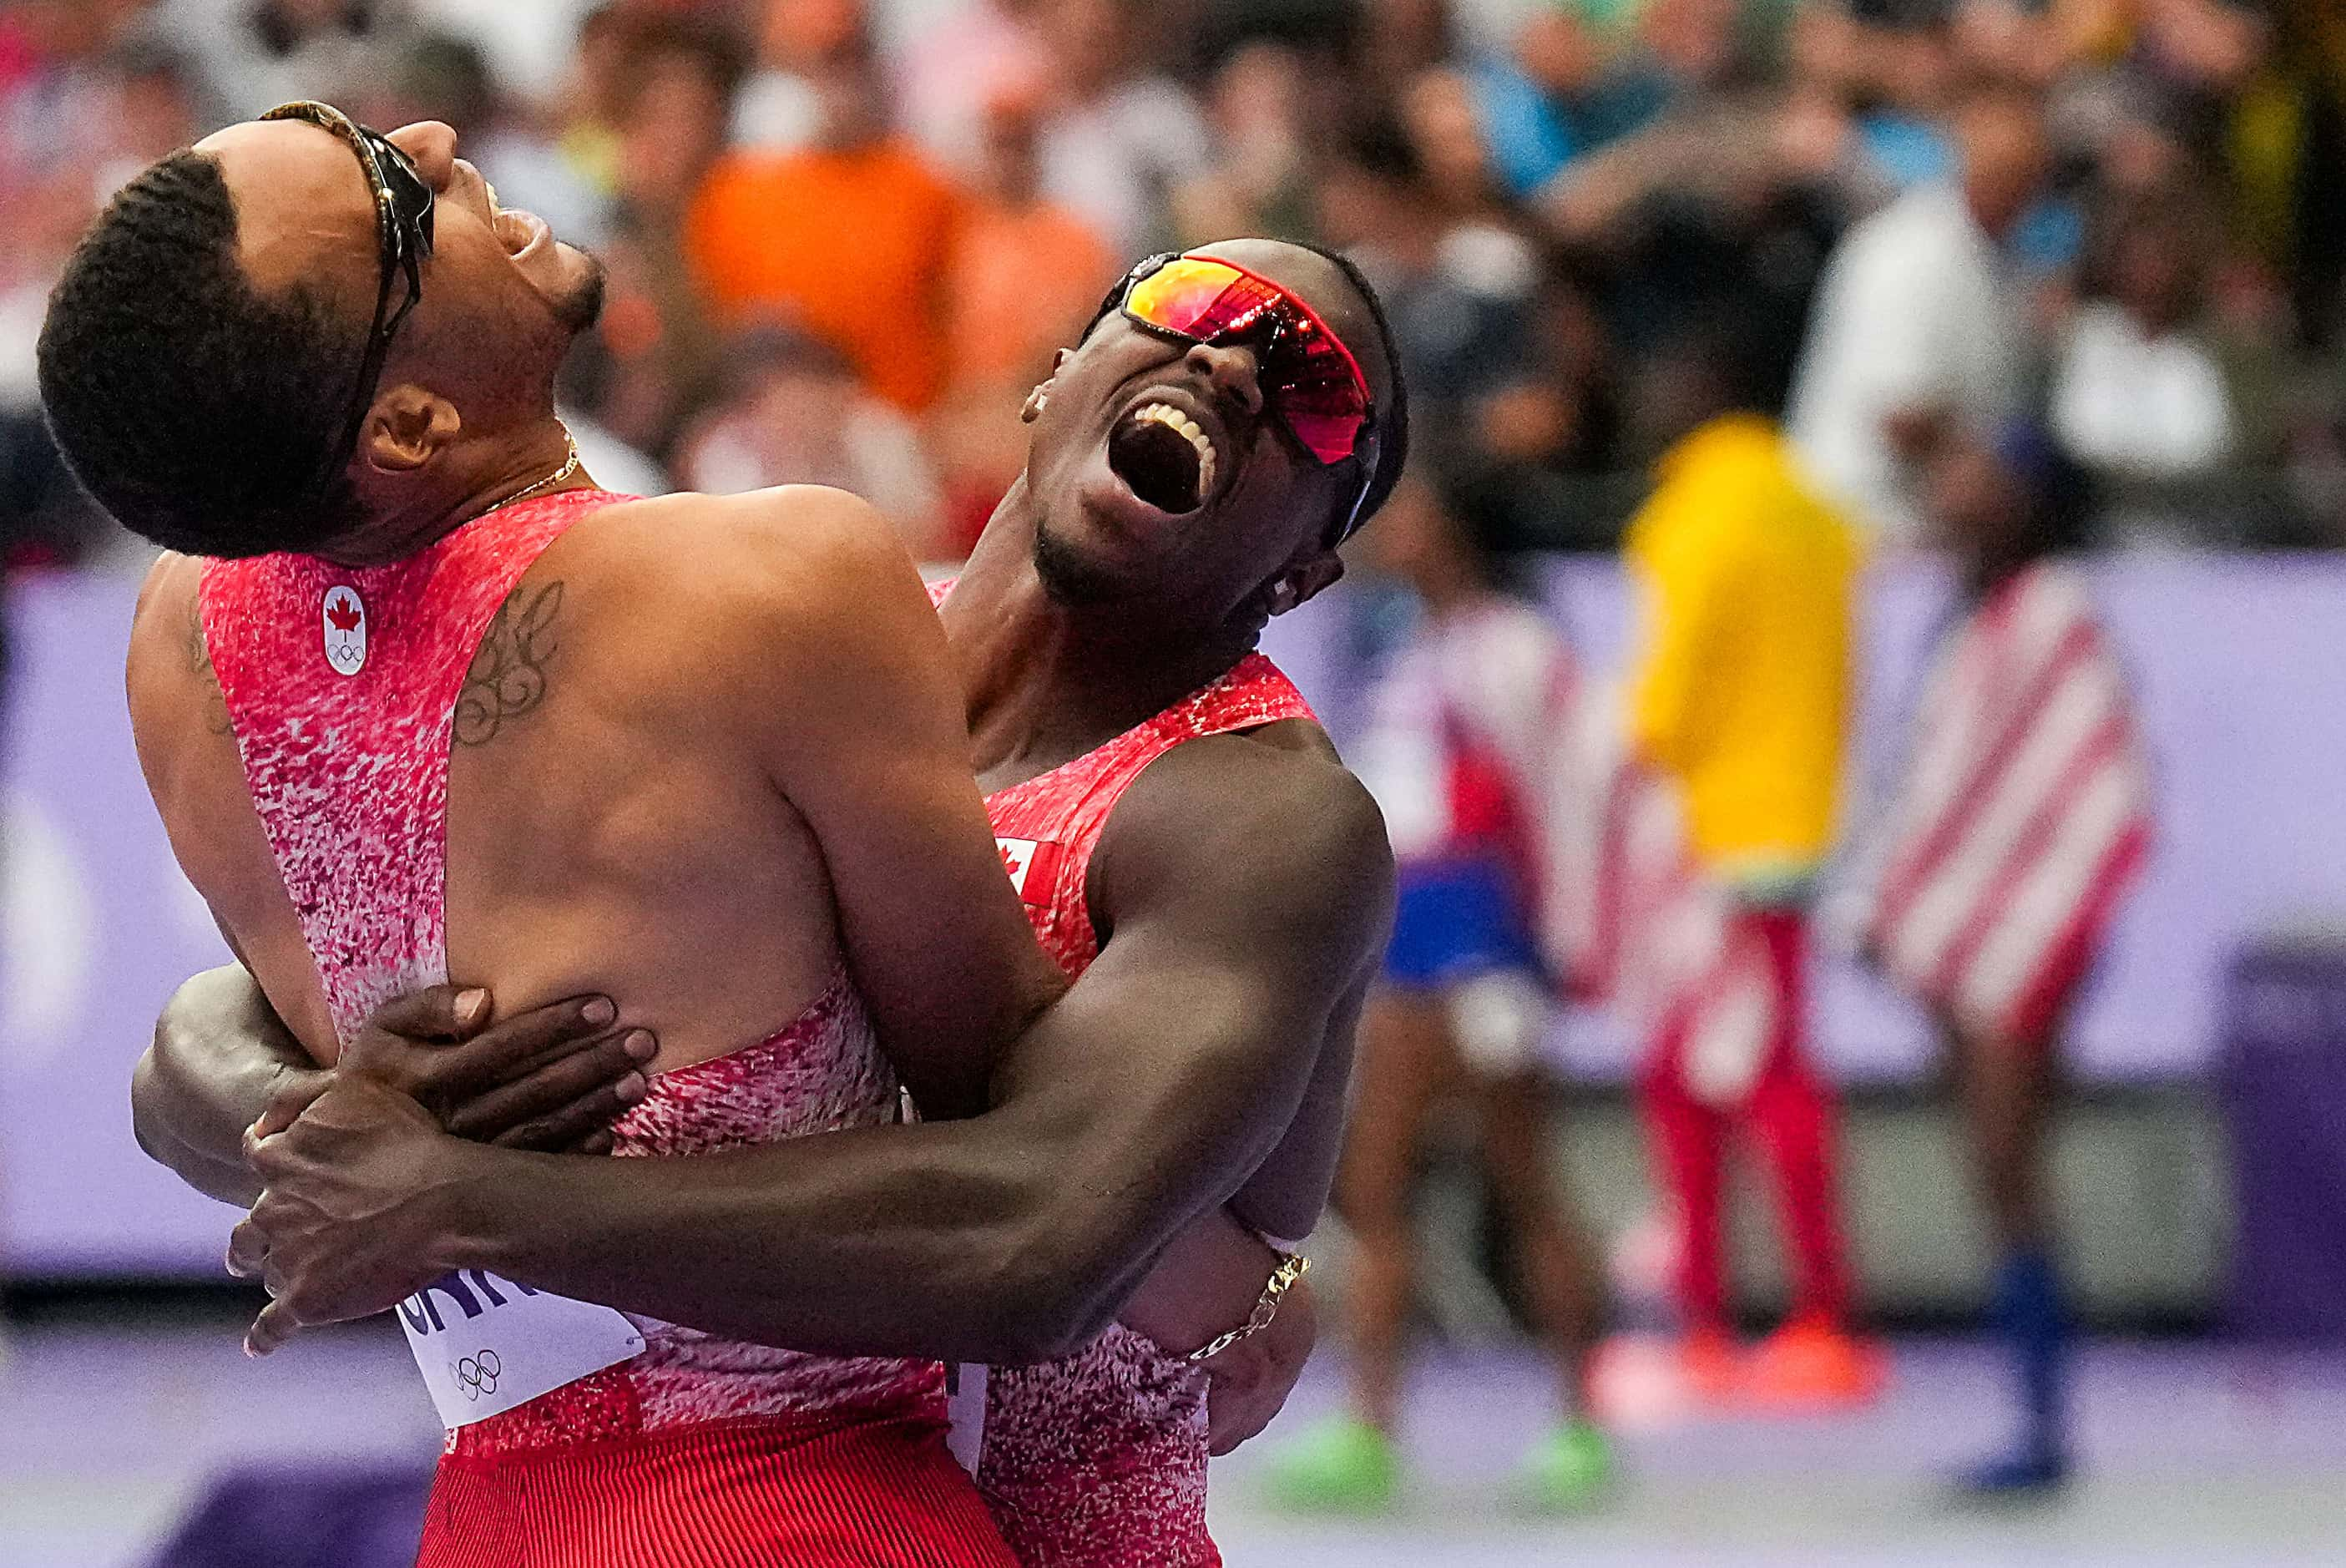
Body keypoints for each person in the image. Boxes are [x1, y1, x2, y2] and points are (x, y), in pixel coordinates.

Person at [124, 223, 1407, 1567]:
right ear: (1058, 368)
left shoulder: (1256, 813)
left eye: (1316, 391)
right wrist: (341, 1116)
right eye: (1198, 303)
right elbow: (207, 1039)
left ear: (1308, 565)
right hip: (636, 1508)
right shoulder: (784, 645)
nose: (1234, 369)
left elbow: (1033, 1236)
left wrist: (450, 1194)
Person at [48, 100, 1064, 1566]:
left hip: (493, 1517)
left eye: (355, 129)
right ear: (408, 425)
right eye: (400, 196)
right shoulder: (775, 583)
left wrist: (269, 1105)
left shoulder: (181, 638)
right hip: (816, 1507)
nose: (441, 137)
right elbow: (1030, 1145)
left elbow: (288, 1056)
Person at [1266, 472, 1612, 1513]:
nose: (1390, 530)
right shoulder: (1398, 646)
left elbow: (1573, 803)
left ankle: (1580, 1421)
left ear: (1456, 526)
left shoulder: (1513, 648)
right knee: (1374, 1188)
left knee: (1524, 1180)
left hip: (1484, 942)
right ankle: (1371, 1425)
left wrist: (1551, 954)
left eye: (1412, 510)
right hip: (1406, 938)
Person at [1855, 421, 2151, 1495]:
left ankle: (2041, 1428)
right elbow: (1935, 781)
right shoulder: (1967, 619)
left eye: (1980, 469)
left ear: (2025, 499)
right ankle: (2032, 1420)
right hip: (1974, 925)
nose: (1955, 482)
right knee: (1996, 1174)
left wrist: (2008, 923)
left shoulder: (2053, 616)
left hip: (2021, 936)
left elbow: (2093, 791)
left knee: (2008, 1169)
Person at [1619, 307, 1874, 1406]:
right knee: (1778, 1081)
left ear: (1697, 396)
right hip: (1797, 826)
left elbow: (1667, 699)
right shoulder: (1819, 516)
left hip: (1708, 837)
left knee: (1692, 1090)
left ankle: (1726, 1327)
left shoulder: (1686, 516)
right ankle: (1809, 1314)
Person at [1787, 77, 2050, 545]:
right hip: (1863, 524)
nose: (2025, 194)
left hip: (1923, 528)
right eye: (2010, 173)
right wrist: (1999, 468)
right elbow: (1900, 414)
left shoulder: (1998, 262)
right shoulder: (1908, 253)